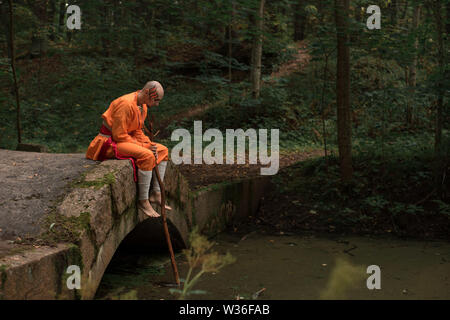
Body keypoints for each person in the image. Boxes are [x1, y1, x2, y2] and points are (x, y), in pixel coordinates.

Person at [86, 81, 171, 218]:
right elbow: (119, 135)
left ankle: (156, 193)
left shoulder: (142, 105)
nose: (157, 104)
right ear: (148, 94)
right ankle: (143, 201)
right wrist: (145, 147)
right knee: (147, 155)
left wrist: (149, 143)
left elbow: (137, 131)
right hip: (111, 142)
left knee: (163, 150)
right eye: (156, 100)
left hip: (127, 139)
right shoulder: (125, 104)